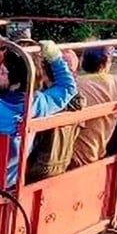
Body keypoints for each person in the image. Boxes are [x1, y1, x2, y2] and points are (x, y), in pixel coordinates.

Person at [0, 40, 78, 187]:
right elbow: (67, 88)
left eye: (2, 72)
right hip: (13, 182)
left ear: (17, 82)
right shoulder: (38, 104)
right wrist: (55, 58)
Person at [26, 49, 87, 183]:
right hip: (61, 165)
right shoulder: (78, 101)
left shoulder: (45, 103)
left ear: (45, 74)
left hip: (39, 167)